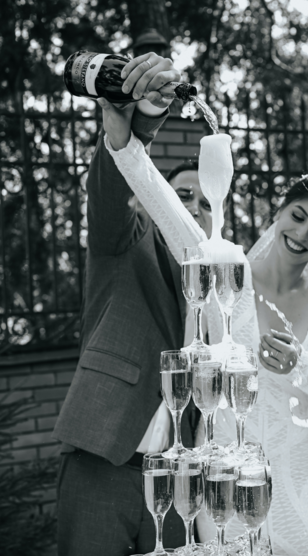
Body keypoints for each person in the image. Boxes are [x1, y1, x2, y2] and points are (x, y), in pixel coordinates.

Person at [104, 105, 308, 556]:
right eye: (299, 215)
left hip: (304, 480)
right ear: (281, 208)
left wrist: (301, 364)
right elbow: (163, 206)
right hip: (226, 481)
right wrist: (123, 141)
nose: (303, 234)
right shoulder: (224, 267)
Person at [52, 52, 212, 556]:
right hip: (106, 461)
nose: (190, 207)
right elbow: (109, 188)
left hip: (183, 483)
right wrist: (131, 130)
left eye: (205, 202)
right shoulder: (123, 239)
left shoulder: (223, 288)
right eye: (181, 193)